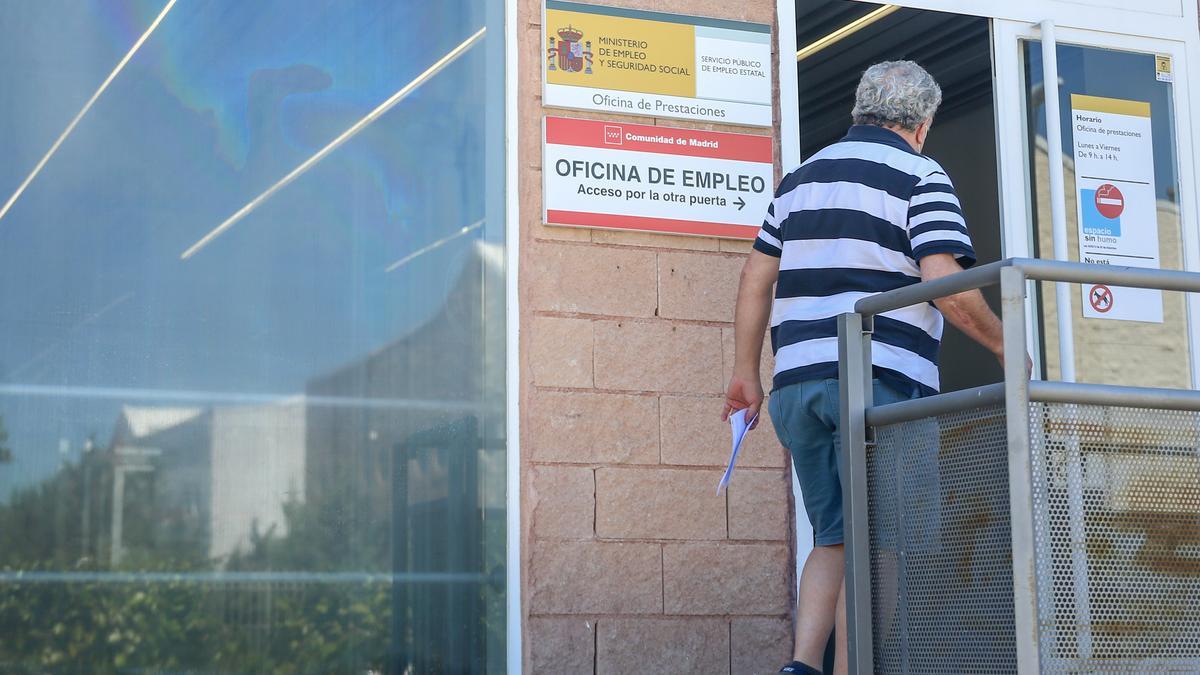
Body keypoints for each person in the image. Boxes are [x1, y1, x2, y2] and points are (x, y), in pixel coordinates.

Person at [722, 61, 1019, 675]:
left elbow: (756, 278)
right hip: (877, 383)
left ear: (859, 110)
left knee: (833, 534)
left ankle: (802, 666)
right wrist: (1006, 347)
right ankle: (855, 668)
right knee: (881, 545)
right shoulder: (920, 174)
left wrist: (746, 373)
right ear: (923, 123)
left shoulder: (799, 180)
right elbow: (949, 287)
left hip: (798, 385)